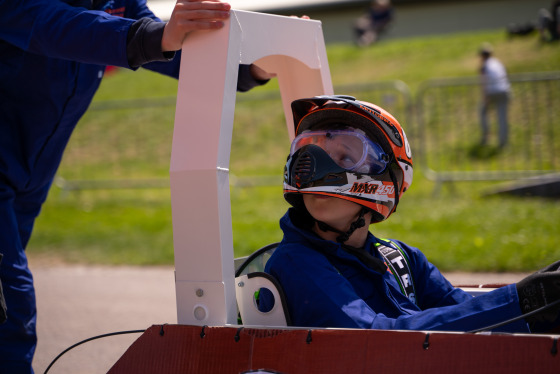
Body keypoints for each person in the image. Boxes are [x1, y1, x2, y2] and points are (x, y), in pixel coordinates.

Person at [0, 0, 273, 371]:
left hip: (25, 184)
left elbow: (172, 47)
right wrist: (157, 35)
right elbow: (53, 26)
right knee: (11, 312)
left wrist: (250, 68)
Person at [261, 94, 560, 333]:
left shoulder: (402, 257)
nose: (314, 164)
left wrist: (542, 302)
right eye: (310, 150)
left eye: (345, 155)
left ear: (388, 179)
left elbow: (474, 318)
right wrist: (521, 299)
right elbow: (375, 337)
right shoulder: (295, 262)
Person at [478, 43, 511, 148]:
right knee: (502, 117)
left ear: (482, 56)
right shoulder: (498, 63)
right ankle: (503, 142)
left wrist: (485, 97)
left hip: (492, 91)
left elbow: (484, 82)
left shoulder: (485, 66)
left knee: (483, 111)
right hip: (505, 90)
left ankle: (486, 136)